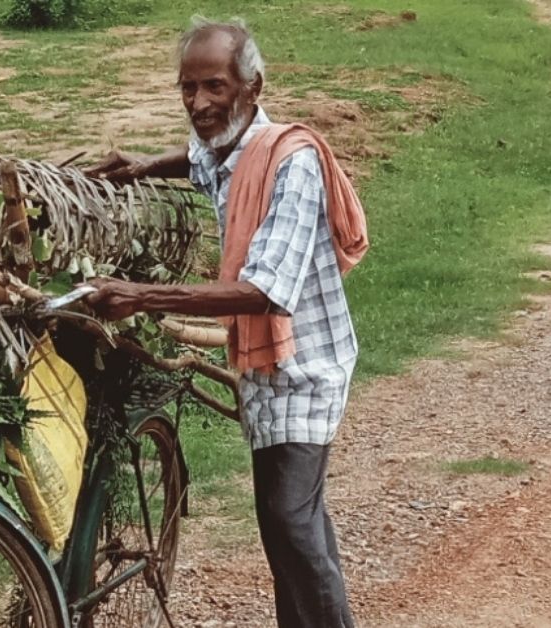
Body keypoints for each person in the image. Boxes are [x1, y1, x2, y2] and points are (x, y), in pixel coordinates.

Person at [83, 17, 368, 628]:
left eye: (214, 87)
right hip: (266, 366)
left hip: (306, 363)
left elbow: (264, 292)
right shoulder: (229, 148)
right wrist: (140, 166)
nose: (199, 104)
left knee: (290, 521)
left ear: (252, 87)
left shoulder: (291, 166)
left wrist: (139, 295)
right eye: (188, 88)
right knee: (292, 525)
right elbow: (200, 159)